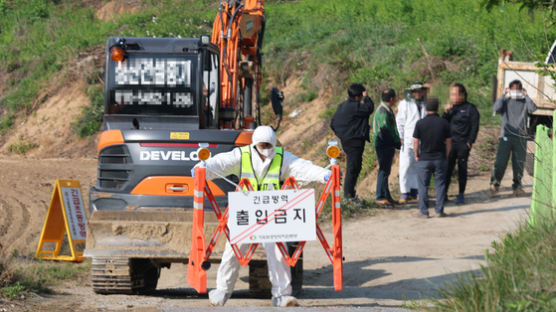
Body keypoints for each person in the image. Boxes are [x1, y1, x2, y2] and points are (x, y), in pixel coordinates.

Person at [195, 126, 331, 307]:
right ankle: (222, 290)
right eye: (262, 144)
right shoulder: (242, 155)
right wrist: (203, 168)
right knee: (233, 251)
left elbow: (302, 167)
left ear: (274, 144)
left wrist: (324, 175)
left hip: (272, 212)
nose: (265, 148)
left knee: (279, 253)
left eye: (269, 145)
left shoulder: (282, 157)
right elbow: (221, 163)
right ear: (255, 144)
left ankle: (282, 295)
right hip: (246, 211)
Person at [490, 80, 537, 197]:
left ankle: (517, 187)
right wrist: (503, 95)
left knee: (519, 164)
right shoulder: (505, 101)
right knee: (500, 162)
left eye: (518, 89)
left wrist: (527, 96)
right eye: (514, 89)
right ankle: (494, 185)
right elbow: (495, 108)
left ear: (522, 90)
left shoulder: (525, 102)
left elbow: (533, 109)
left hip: (520, 137)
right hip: (506, 136)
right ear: (509, 89)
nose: (516, 91)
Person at [330, 83, 374, 199]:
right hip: (354, 142)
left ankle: (350, 194)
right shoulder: (355, 106)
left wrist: (343, 135)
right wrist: (367, 97)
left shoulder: (343, 106)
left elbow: (333, 123)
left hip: (349, 141)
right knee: (353, 167)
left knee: (355, 166)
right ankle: (348, 197)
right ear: (358, 96)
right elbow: (369, 108)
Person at [413, 98, 451, 218]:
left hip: (424, 158)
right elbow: (449, 142)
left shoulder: (420, 123)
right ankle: (439, 210)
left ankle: (424, 211)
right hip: (440, 158)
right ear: (437, 108)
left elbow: (415, 141)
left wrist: (416, 154)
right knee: (440, 185)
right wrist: (446, 155)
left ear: (426, 108)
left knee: (423, 186)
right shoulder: (444, 123)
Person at [443, 83, 480, 205]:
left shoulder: (470, 108)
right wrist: (446, 113)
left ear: (462, 94)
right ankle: (444, 194)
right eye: (451, 94)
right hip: (450, 144)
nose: (452, 96)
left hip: (463, 144)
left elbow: (474, 127)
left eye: (455, 94)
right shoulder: (450, 109)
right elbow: (443, 124)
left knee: (462, 170)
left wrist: (470, 142)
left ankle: (461, 194)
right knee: (447, 169)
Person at [396, 82, 428, 203]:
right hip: (408, 139)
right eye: (415, 91)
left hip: (422, 139)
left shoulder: (425, 104)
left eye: (420, 91)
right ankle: (405, 191)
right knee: (405, 165)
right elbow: (400, 121)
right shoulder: (405, 104)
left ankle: (416, 190)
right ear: (411, 92)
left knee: (418, 165)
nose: (417, 93)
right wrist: (401, 137)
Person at [373, 88, 401, 205]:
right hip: (384, 145)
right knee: (384, 171)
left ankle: (387, 196)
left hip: (386, 144)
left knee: (386, 171)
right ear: (391, 99)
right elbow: (385, 131)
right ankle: (380, 196)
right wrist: (395, 143)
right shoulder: (383, 111)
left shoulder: (385, 109)